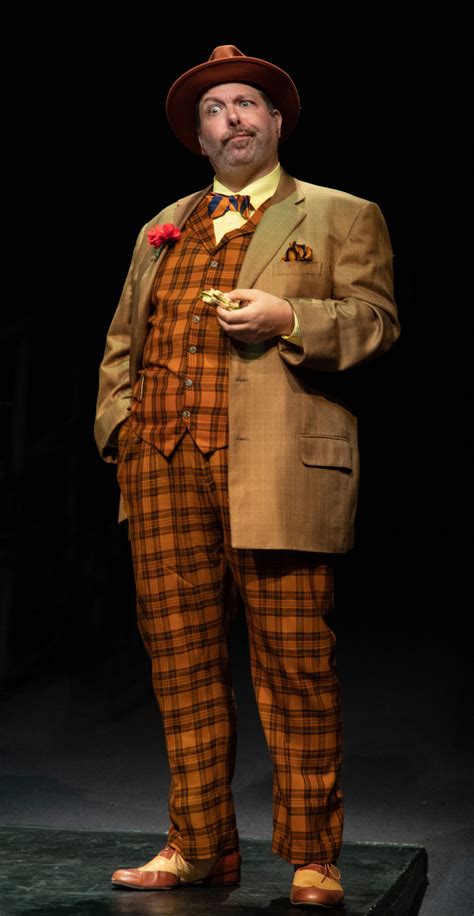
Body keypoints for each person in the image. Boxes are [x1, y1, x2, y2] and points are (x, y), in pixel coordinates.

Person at [94, 44, 400, 908]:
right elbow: (124, 340)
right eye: (216, 109)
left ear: (275, 122)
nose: (233, 118)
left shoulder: (341, 213)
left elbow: (377, 323)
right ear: (199, 138)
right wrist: (121, 430)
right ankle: (197, 845)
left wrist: (290, 315)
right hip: (161, 470)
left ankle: (313, 854)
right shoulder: (164, 224)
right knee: (180, 665)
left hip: (276, 470)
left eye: (247, 104)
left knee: (296, 662)